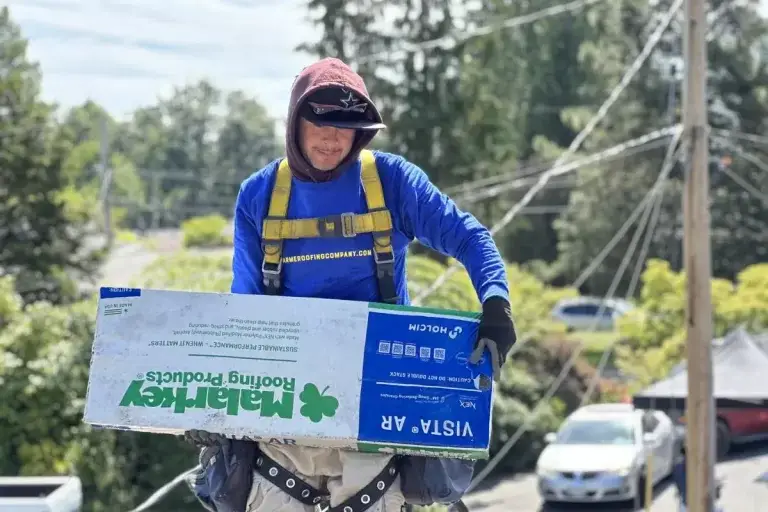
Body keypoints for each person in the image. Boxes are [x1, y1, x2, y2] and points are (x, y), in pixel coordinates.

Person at [183, 57, 516, 512]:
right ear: (294, 122)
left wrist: (496, 304)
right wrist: (214, 406)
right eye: (319, 123)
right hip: (285, 429)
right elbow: (247, 309)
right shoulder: (259, 196)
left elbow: (471, 238)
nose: (332, 138)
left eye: (346, 126)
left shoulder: (392, 182)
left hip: (376, 424)